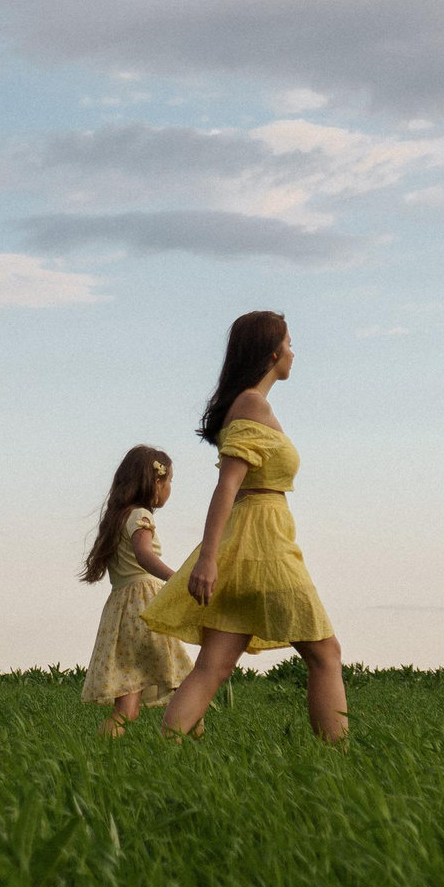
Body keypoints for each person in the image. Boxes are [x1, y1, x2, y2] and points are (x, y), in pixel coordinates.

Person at [139, 311, 347, 742]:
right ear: (271, 352)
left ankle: (163, 752)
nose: (294, 351)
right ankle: (339, 760)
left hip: (250, 541)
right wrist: (209, 559)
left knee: (214, 665)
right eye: (289, 343)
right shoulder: (252, 404)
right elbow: (227, 486)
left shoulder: (250, 404)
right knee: (325, 654)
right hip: (262, 545)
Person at [79, 445, 194, 737]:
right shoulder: (141, 514)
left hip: (122, 609)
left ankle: (96, 755)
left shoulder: (117, 518)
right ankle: (190, 750)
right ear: (156, 481)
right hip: (145, 604)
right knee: (190, 684)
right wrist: (178, 579)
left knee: (127, 709)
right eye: (169, 481)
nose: (170, 488)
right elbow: (144, 555)